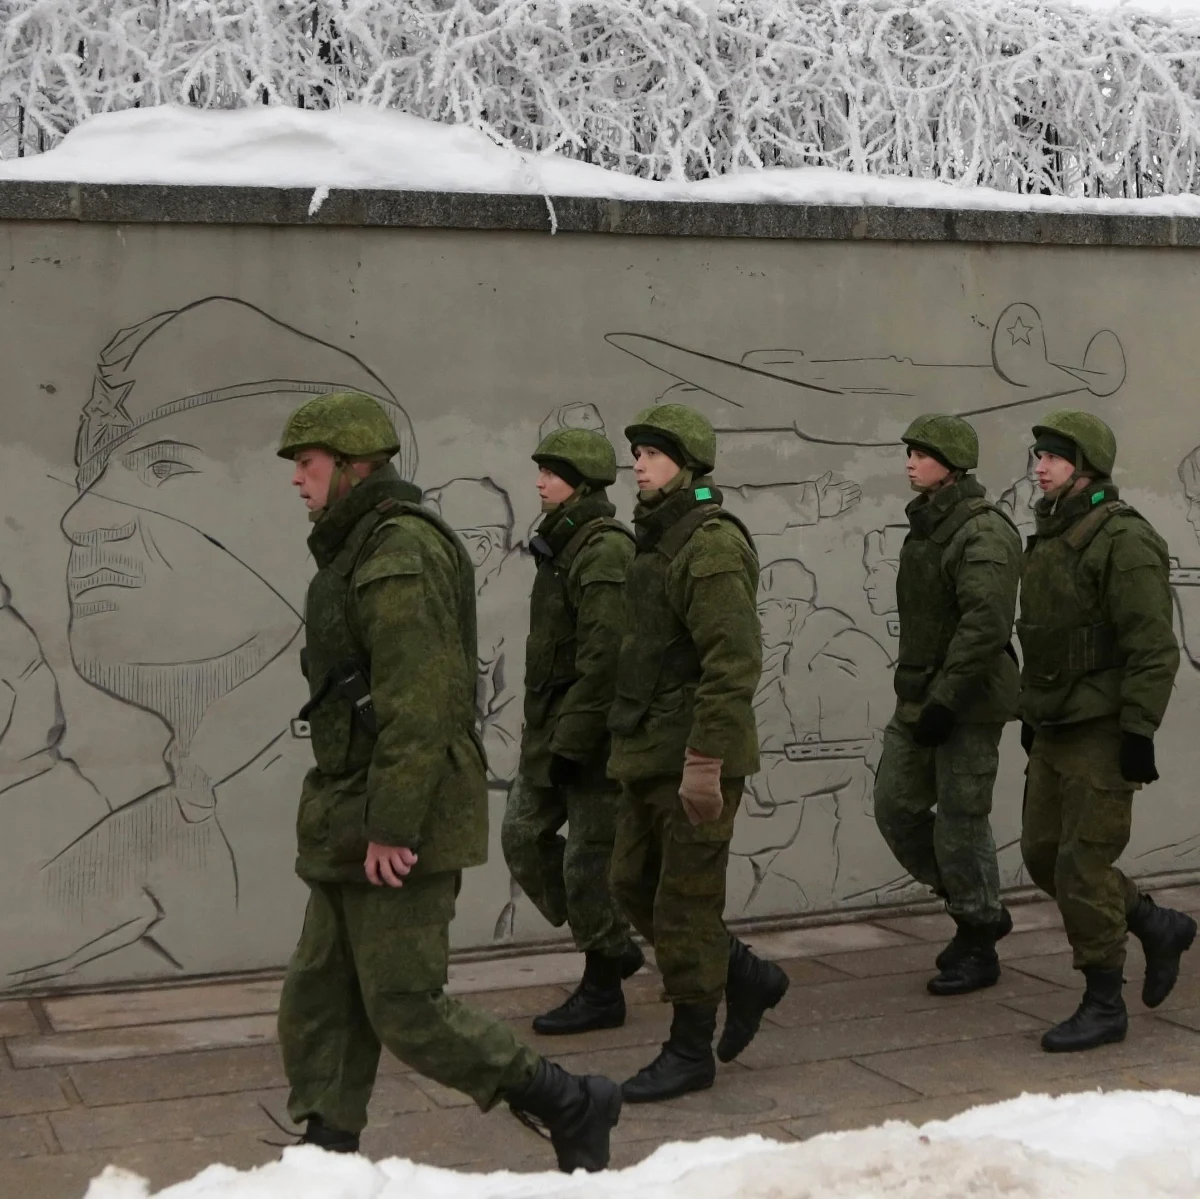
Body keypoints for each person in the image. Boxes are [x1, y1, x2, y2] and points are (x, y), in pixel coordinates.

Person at [273, 391, 619, 1170]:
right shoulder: (356, 545)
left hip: (398, 810)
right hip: (348, 807)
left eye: (308, 464)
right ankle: (327, 1149)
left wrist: (393, 822)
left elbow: (421, 705)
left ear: (353, 468)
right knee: (320, 994)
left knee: (404, 1005)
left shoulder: (396, 551)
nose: (297, 479)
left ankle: (568, 1100)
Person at [606, 402, 787, 1104]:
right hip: (648, 752)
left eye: (652, 453)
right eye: (637, 452)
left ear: (688, 464)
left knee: (683, 902)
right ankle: (743, 973)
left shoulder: (708, 544)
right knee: (630, 884)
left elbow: (731, 661)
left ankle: (690, 1048)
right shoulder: (656, 538)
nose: (638, 464)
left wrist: (706, 760)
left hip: (693, 756)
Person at [1018, 410, 1195, 1052]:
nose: (1040, 464)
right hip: (1056, 723)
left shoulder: (1123, 539)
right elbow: (1042, 639)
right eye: (1038, 454)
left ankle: (1103, 1002)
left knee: (1081, 862)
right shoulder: (1049, 533)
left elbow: (1154, 648)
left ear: (1086, 464)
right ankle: (1153, 921)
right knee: (1042, 856)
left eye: (1055, 456)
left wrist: (1138, 730)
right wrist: (1031, 716)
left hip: (1102, 725)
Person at [872, 415, 1022, 996]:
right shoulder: (929, 524)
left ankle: (978, 937)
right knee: (895, 808)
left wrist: (946, 698)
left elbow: (985, 625)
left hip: (970, 700)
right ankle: (978, 902)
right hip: (921, 697)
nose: (909, 460)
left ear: (953, 463)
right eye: (908, 450)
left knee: (961, 818)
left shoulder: (982, 531)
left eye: (921, 452)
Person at [501, 428, 643, 1034]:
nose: (539, 481)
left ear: (582, 483)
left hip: (592, 739)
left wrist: (571, 743)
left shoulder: (604, 550)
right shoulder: (560, 544)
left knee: (588, 862)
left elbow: (605, 660)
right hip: (553, 733)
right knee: (521, 836)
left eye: (551, 473)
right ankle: (612, 941)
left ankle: (602, 985)